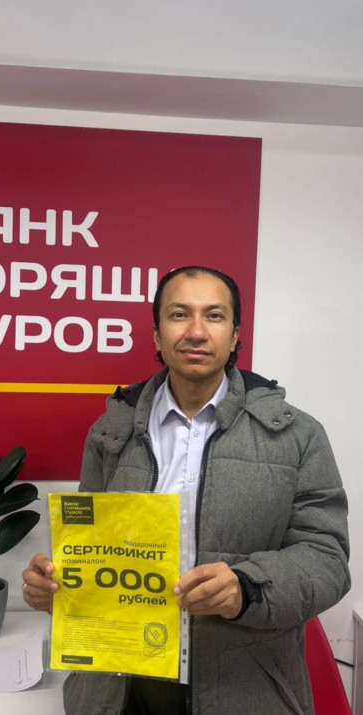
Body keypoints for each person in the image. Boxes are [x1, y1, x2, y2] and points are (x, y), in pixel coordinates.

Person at [22, 266, 350, 714]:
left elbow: (327, 560)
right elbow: (90, 547)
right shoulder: (111, 431)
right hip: (120, 687)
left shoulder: (298, 436)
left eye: (214, 316)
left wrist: (247, 588)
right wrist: (58, 587)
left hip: (243, 686)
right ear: (157, 336)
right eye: (179, 314)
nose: (196, 331)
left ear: (235, 335)